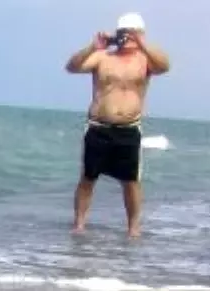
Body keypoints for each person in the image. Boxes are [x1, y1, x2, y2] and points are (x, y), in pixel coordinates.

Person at [64, 12, 171, 238]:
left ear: (141, 34)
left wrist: (142, 44)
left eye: (132, 33)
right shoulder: (103, 57)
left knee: (130, 181)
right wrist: (92, 47)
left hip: (129, 129)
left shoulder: (145, 61)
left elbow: (165, 66)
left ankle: (133, 228)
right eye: (124, 33)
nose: (127, 37)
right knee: (87, 178)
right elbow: (71, 67)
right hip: (98, 127)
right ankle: (79, 224)